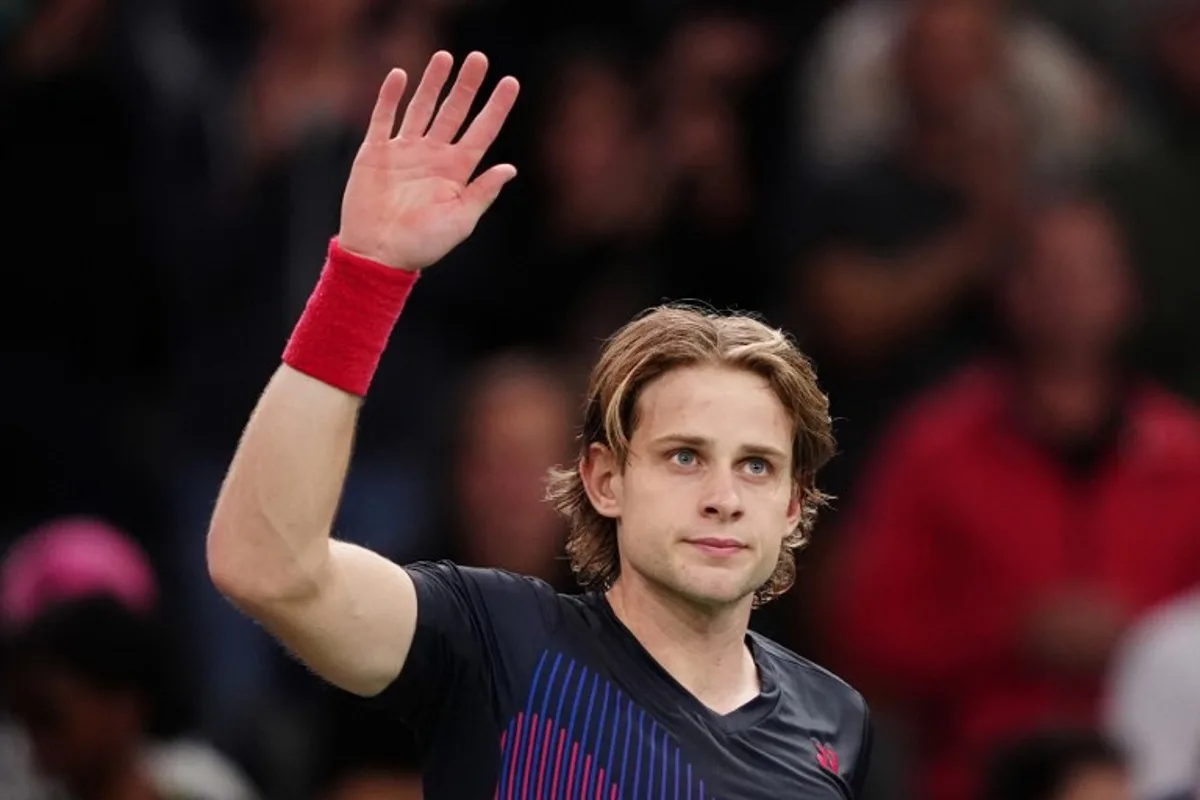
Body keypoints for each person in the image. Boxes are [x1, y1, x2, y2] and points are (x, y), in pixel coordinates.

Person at [206, 50, 872, 798]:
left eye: (756, 464)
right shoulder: (494, 636)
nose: (723, 494)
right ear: (605, 479)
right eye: (684, 456)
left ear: (793, 504)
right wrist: (365, 274)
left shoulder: (834, 720)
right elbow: (264, 565)